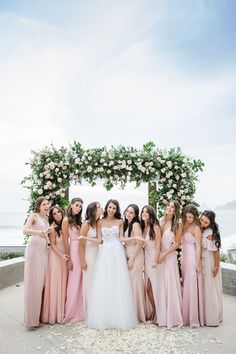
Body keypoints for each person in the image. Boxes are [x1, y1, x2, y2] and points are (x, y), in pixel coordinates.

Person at [87, 199, 137, 330]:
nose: (111, 210)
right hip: (105, 253)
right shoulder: (100, 222)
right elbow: (99, 240)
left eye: (114, 208)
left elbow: (121, 238)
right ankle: (105, 317)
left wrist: (133, 238)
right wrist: (84, 238)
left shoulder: (120, 221)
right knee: (105, 282)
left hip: (117, 252)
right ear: (106, 207)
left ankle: (119, 317)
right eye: (110, 207)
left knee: (118, 282)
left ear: (117, 210)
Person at [23, 196, 51, 328]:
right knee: (33, 284)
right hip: (34, 252)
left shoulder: (46, 219)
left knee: (41, 284)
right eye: (44, 204)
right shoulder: (33, 216)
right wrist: (41, 232)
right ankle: (31, 320)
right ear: (39, 205)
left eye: (48, 204)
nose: (46, 206)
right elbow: (25, 230)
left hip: (44, 252)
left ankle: (38, 316)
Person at [41, 206, 68, 324]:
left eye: (58, 212)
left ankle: (62, 312)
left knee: (63, 283)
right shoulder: (52, 228)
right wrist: (61, 255)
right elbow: (52, 245)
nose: (57, 215)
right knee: (55, 284)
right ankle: (54, 314)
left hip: (64, 257)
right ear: (52, 216)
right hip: (56, 257)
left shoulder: (66, 225)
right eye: (54, 213)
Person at [158, 200, 183, 329]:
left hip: (169, 255)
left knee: (170, 284)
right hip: (160, 253)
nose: (169, 208)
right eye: (168, 205)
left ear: (175, 210)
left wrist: (164, 254)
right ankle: (161, 315)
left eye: (172, 207)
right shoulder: (161, 219)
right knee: (162, 284)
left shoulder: (177, 223)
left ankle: (172, 316)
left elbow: (177, 244)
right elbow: (158, 237)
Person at [79, 202, 103, 319]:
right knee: (89, 281)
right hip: (88, 254)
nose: (101, 208)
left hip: (97, 254)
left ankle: (97, 308)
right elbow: (81, 244)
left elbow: (100, 241)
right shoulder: (86, 224)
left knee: (97, 281)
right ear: (93, 211)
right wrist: (82, 260)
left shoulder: (98, 223)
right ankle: (89, 311)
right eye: (98, 207)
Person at [122, 204, 146, 323]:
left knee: (135, 284)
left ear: (135, 215)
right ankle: (132, 312)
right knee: (131, 284)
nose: (128, 214)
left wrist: (131, 259)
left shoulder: (136, 225)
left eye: (131, 213)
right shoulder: (127, 224)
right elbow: (121, 239)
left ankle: (138, 314)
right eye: (127, 211)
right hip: (129, 255)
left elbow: (139, 243)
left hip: (136, 256)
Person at [181, 204, 204, 327]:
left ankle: (192, 317)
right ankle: (185, 314)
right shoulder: (185, 225)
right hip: (184, 258)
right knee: (185, 283)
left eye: (190, 217)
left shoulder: (196, 228)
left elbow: (199, 246)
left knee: (191, 284)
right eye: (186, 217)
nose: (188, 219)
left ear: (195, 216)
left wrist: (198, 262)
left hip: (191, 257)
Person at [200, 210, 223, 326]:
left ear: (211, 222)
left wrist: (216, 266)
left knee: (211, 289)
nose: (203, 222)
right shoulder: (203, 230)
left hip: (210, 262)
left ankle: (212, 318)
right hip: (204, 261)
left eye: (206, 221)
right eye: (202, 220)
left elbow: (216, 252)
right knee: (206, 289)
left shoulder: (211, 233)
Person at [63, 197, 84, 323]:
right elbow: (66, 240)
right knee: (74, 280)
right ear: (71, 205)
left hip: (81, 250)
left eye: (80, 206)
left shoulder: (78, 220)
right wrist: (68, 259)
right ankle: (72, 311)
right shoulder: (66, 220)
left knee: (81, 280)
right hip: (74, 251)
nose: (78, 208)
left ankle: (80, 309)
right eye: (77, 205)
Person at [141, 205, 161, 324]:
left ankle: (158, 312)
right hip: (146, 258)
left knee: (154, 286)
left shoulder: (155, 226)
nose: (144, 213)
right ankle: (154, 310)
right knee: (148, 288)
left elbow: (158, 244)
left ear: (151, 214)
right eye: (143, 211)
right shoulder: (144, 227)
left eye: (146, 212)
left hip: (153, 257)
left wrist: (156, 259)